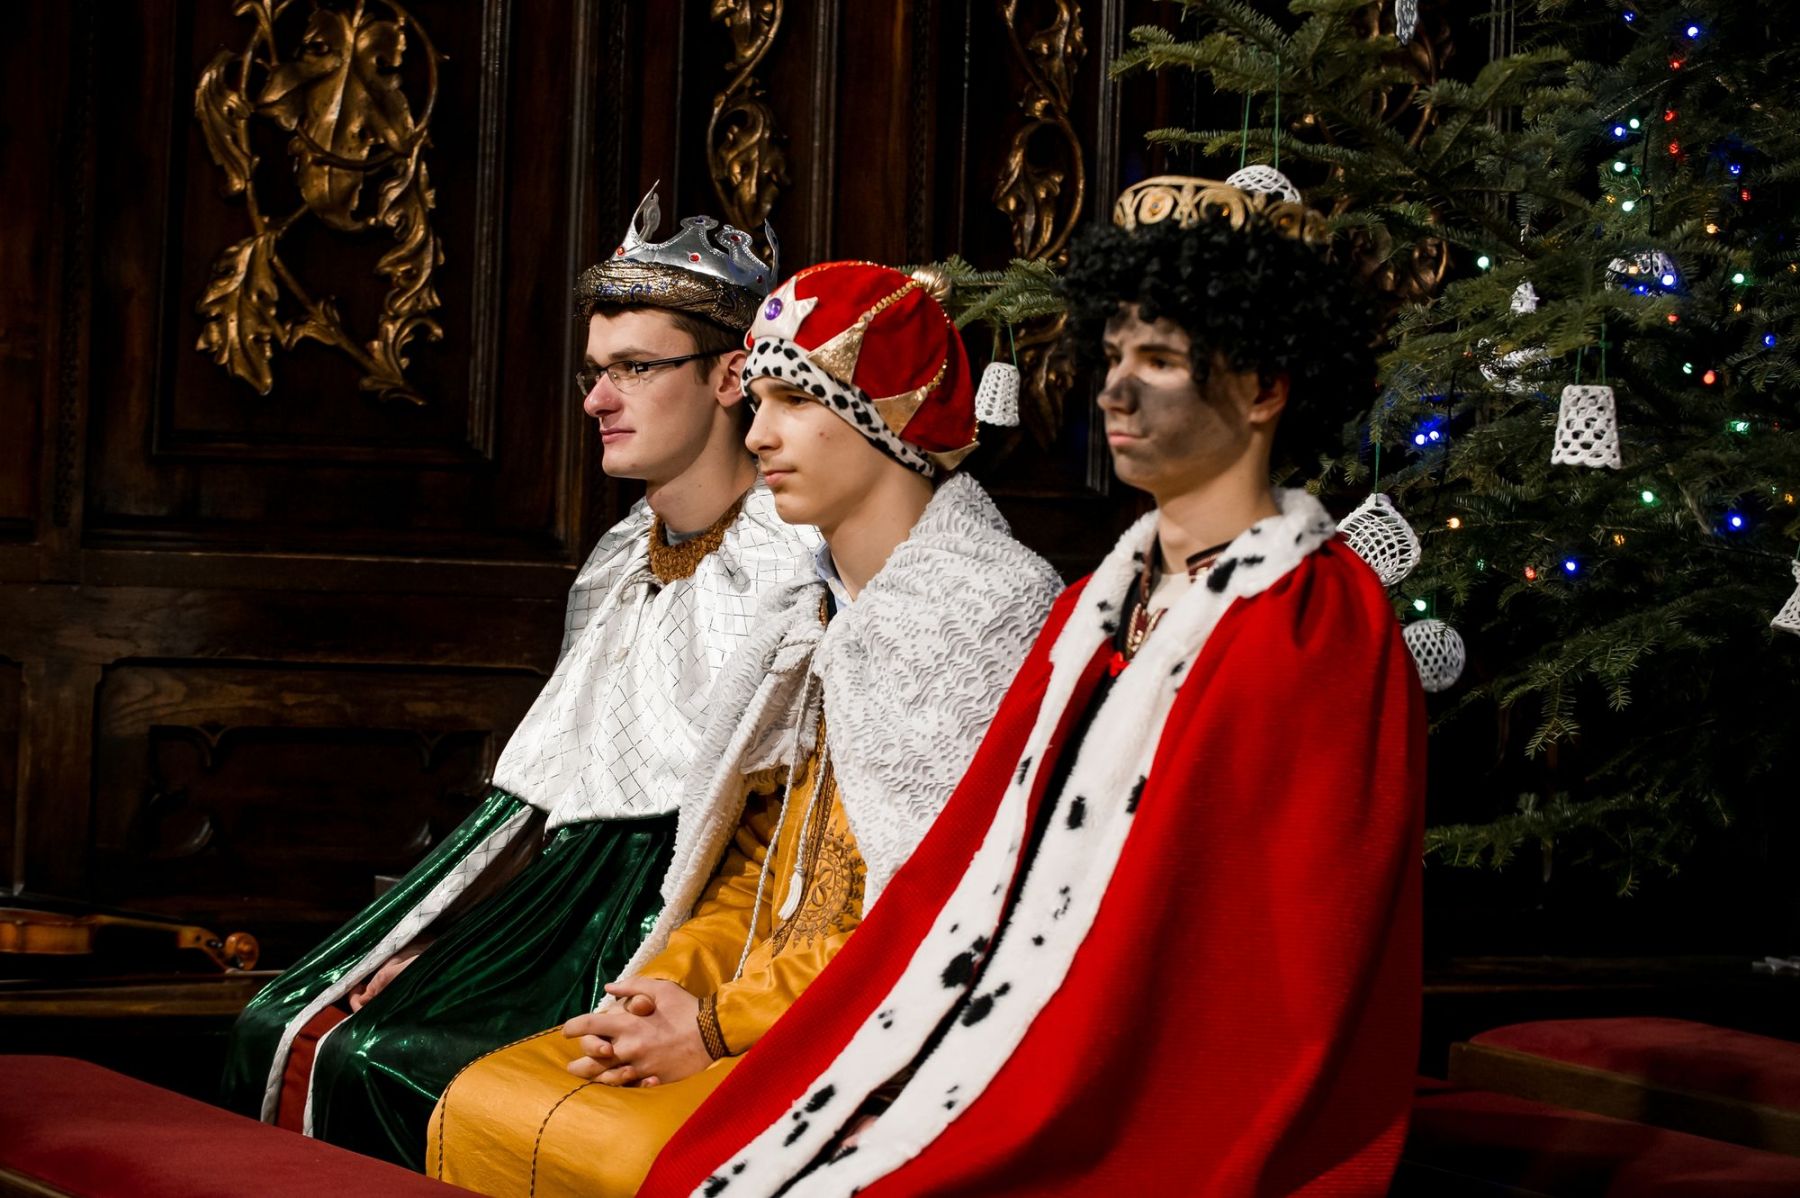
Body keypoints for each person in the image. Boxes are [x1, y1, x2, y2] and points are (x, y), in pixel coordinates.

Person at [639, 174, 1428, 1197]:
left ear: (1263, 388)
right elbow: (968, 862)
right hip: (1025, 1006)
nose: (1117, 394)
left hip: (1171, 1061)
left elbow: (1288, 942)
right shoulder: (1096, 606)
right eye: (1114, 357)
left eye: (1160, 362)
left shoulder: (1318, 619)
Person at [424, 260, 1064, 1195]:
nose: (759, 434)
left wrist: (718, 1025)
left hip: (888, 1038)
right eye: (758, 400)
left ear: (887, 412)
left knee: (623, 1152)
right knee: (489, 1101)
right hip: (755, 1000)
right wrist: (675, 984)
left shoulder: (979, 611)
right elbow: (757, 859)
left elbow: (943, 910)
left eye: (795, 402)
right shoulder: (803, 616)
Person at [220, 189, 822, 1168]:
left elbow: (784, 835)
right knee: (286, 1022)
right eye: (595, 371)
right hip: (565, 897)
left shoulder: (797, 564)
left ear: (730, 376)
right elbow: (560, 788)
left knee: (387, 1061)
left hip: (683, 913)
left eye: (635, 368)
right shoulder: (621, 557)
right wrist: (453, 940)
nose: (597, 401)